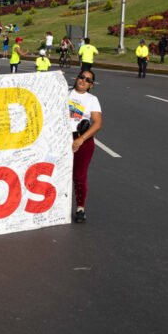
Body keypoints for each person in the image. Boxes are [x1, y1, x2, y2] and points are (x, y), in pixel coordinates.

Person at [68, 70, 102, 223]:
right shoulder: (65, 93)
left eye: (87, 80)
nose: (83, 81)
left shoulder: (92, 99)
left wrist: (81, 139)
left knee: (79, 176)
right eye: (81, 77)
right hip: (62, 137)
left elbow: (97, 123)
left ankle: (80, 208)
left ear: (91, 85)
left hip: (83, 140)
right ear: (77, 78)